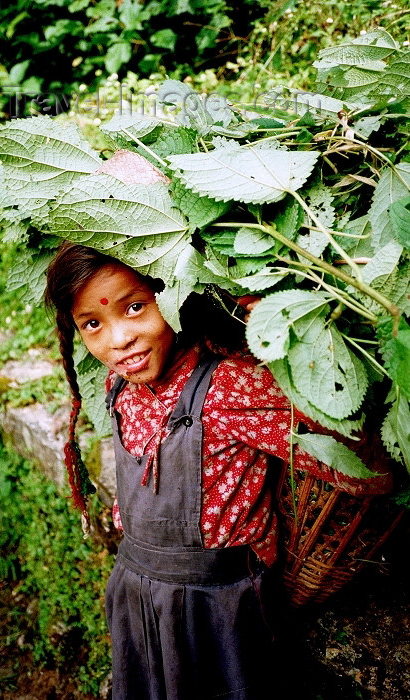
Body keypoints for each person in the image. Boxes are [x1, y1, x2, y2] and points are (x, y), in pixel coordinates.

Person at [44, 241, 389, 700]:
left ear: (171, 296)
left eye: (135, 308)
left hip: (221, 608)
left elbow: (361, 467)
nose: (118, 339)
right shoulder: (118, 387)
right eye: (92, 324)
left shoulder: (228, 386)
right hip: (136, 593)